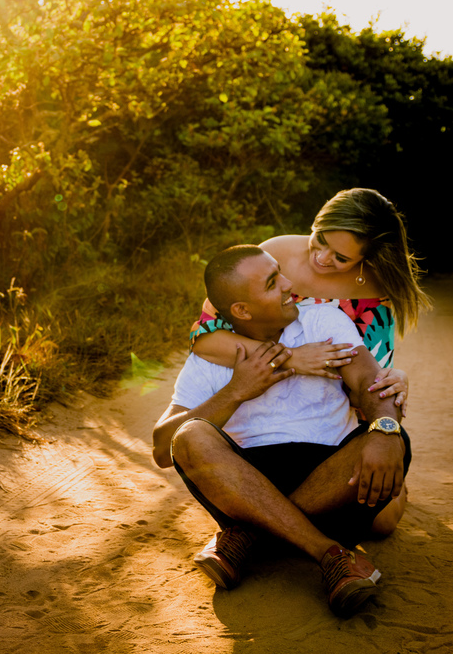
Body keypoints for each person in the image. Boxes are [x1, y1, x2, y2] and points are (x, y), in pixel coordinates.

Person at [152, 245, 412, 617]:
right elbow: (166, 447)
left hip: (335, 481)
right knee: (191, 435)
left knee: (389, 439)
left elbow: (370, 382)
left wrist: (386, 430)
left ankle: (250, 536)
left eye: (280, 273)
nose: (291, 284)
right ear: (242, 310)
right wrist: (237, 391)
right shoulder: (211, 356)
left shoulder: (321, 319)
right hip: (248, 483)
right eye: (274, 283)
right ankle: (330, 553)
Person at [191, 187, 432, 383]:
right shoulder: (272, 255)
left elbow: (369, 378)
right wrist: (289, 358)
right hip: (254, 398)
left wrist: (396, 379)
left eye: (341, 258)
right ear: (318, 220)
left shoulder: (374, 291)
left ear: (365, 258)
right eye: (321, 239)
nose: (322, 258)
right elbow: (205, 341)